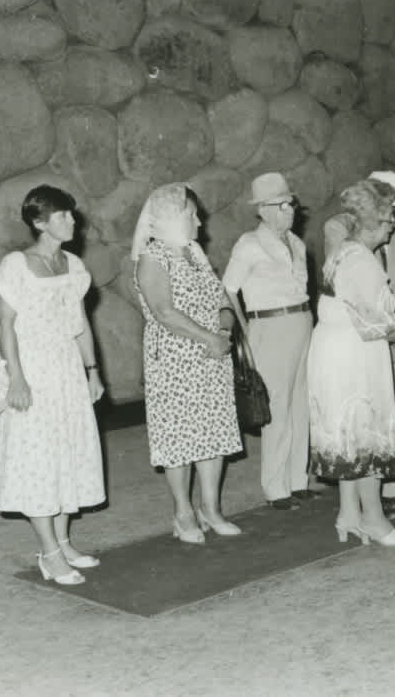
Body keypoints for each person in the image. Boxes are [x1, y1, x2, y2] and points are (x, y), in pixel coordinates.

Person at [0, 185, 105, 585]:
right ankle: (50, 553)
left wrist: (92, 371)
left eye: (71, 214)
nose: (72, 221)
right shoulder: (16, 265)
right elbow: (5, 324)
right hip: (33, 372)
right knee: (38, 461)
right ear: (40, 222)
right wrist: (16, 377)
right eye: (62, 216)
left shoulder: (73, 265)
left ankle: (64, 540)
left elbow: (80, 324)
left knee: (67, 454)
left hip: (68, 371)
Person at [308, 180, 395, 546]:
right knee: (367, 432)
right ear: (375, 219)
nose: (394, 223)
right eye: (391, 216)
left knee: (350, 434)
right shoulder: (361, 261)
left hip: (336, 348)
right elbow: (377, 324)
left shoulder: (345, 250)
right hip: (353, 354)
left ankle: (349, 513)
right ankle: (375, 520)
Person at [134, 183, 244, 542]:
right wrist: (209, 337)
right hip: (176, 361)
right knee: (179, 437)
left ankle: (210, 509)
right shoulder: (154, 256)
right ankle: (183, 513)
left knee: (213, 432)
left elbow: (221, 299)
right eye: (192, 214)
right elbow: (164, 312)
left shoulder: (194, 253)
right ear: (171, 218)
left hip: (212, 358)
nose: (198, 221)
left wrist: (225, 329)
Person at [222, 172, 314, 511]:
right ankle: (276, 487)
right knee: (276, 406)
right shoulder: (250, 243)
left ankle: (298, 479)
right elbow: (228, 288)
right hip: (270, 326)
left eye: (291, 202)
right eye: (283, 204)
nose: (291, 208)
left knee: (301, 402)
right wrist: (245, 328)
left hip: (303, 320)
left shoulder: (297, 243)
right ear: (264, 209)